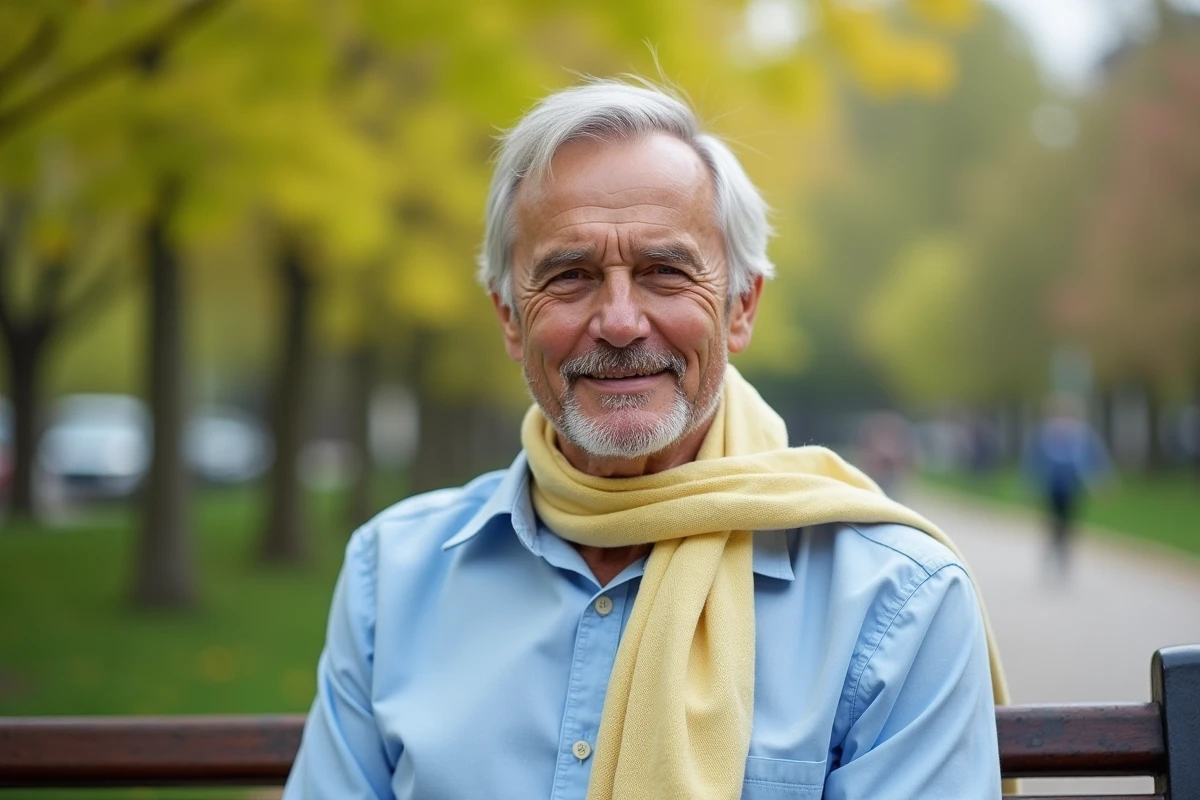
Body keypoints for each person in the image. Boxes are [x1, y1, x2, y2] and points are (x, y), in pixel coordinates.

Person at [284, 79, 1006, 799]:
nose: (621, 322)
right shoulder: (393, 576)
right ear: (509, 319)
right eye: (571, 276)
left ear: (741, 307)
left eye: (665, 272)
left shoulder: (897, 601)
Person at [1024, 394, 1112, 579]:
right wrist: (1030, 485)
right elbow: (1033, 461)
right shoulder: (1045, 435)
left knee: (1068, 525)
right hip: (1051, 489)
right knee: (1053, 523)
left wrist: (1101, 482)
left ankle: (1063, 553)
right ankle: (1053, 548)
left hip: (1073, 489)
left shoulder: (1082, 436)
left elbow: (1095, 458)